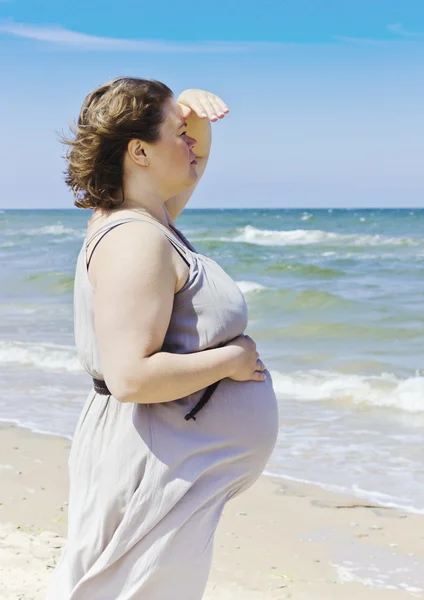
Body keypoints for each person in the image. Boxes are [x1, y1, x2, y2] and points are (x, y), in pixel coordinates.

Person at [46, 77, 278, 600]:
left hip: (164, 456)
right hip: (149, 456)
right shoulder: (135, 238)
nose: (192, 142)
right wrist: (230, 361)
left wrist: (190, 104)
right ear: (139, 151)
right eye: (180, 133)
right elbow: (130, 376)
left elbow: (197, 163)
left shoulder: (152, 220)